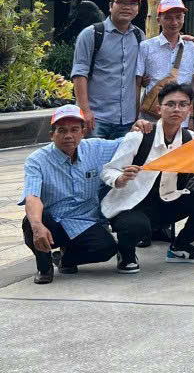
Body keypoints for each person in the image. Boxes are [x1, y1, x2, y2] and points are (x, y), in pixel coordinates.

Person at [102, 82, 194, 270]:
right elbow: (107, 171)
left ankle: (180, 247)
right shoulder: (140, 137)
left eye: (183, 104)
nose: (176, 109)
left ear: (190, 109)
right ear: (159, 108)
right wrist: (121, 178)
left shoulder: (191, 140)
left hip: (167, 201)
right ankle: (126, 253)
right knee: (136, 226)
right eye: (170, 104)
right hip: (132, 204)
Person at [20, 106, 120, 284]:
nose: (68, 135)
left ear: (83, 132)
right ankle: (44, 267)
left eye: (74, 130)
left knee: (107, 249)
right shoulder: (37, 160)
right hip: (54, 221)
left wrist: (140, 127)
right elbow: (32, 196)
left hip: (85, 221)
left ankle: (65, 259)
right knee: (31, 223)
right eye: (62, 130)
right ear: (52, 134)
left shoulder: (96, 148)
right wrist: (37, 225)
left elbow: (128, 143)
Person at [70, 0, 145, 139]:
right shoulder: (91, 34)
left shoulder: (139, 36)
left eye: (132, 3)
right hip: (97, 119)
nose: (127, 7)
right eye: (122, 2)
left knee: (122, 163)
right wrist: (84, 111)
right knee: (94, 162)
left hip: (128, 121)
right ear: (111, 6)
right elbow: (79, 74)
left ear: (137, 9)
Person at [136, 0, 194, 120]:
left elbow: (190, 83)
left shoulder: (191, 47)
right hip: (152, 116)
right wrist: (136, 116)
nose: (174, 22)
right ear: (158, 20)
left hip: (181, 116)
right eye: (168, 18)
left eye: (178, 17)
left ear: (184, 18)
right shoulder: (146, 47)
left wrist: (190, 117)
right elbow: (137, 84)